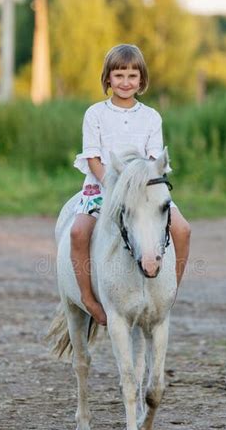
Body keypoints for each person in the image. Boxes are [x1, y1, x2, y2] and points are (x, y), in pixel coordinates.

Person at [70, 43, 191, 326]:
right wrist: (113, 186)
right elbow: (93, 157)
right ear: (108, 78)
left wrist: (136, 187)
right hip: (101, 187)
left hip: (144, 190)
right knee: (77, 233)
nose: (125, 82)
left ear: (142, 80)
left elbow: (153, 160)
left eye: (132, 76)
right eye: (119, 75)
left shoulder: (150, 117)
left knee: (183, 229)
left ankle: (168, 292)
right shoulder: (95, 114)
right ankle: (88, 298)